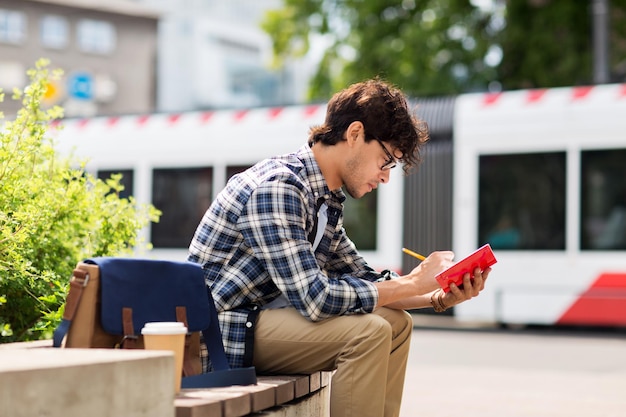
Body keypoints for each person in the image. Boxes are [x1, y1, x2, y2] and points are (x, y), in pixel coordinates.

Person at [187, 78, 490, 417]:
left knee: (396, 323)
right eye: (386, 160)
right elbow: (316, 299)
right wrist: (413, 282)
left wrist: (437, 295)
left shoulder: (325, 201)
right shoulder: (278, 188)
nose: (386, 177)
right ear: (355, 134)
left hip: (261, 321)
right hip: (221, 333)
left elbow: (366, 280)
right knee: (368, 332)